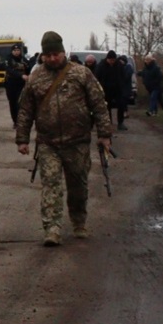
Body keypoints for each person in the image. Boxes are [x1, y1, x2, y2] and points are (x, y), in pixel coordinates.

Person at [14, 31, 114, 247]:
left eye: (56, 54)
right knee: (51, 184)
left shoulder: (81, 74)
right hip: (48, 143)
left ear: (63, 52)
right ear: (42, 55)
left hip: (77, 142)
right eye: (47, 55)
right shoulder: (35, 78)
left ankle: (78, 222)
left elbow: (99, 104)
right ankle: (52, 229)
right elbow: (25, 111)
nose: (52, 59)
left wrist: (104, 134)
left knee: (78, 185)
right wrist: (22, 139)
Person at [97, 50, 133, 130]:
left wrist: (122, 85)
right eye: (110, 60)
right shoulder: (101, 66)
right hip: (105, 89)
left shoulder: (119, 65)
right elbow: (98, 77)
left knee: (121, 105)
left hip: (117, 89)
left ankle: (120, 123)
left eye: (113, 60)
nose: (112, 62)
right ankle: (108, 123)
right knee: (107, 106)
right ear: (107, 59)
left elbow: (123, 76)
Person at [4, 44, 31, 126]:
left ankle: (21, 121)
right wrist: (20, 75)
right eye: (15, 51)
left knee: (20, 102)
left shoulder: (23, 59)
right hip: (11, 83)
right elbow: (9, 70)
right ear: (12, 51)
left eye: (18, 50)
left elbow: (28, 68)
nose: (16, 52)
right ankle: (15, 121)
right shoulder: (8, 59)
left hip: (21, 84)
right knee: (12, 103)